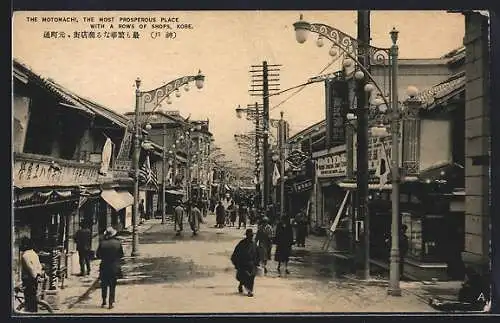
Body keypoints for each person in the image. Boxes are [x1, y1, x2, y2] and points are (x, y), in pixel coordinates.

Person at [96, 227, 124, 309]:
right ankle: (111, 303)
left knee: (104, 284)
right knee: (112, 285)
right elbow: (121, 255)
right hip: (114, 267)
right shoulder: (118, 243)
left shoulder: (102, 243)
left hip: (104, 266)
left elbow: (98, 255)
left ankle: (104, 301)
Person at [231, 229, 260, 297]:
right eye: (249, 235)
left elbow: (257, 254)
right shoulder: (241, 243)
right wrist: (236, 263)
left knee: (251, 277)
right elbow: (235, 253)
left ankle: (250, 291)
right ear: (246, 235)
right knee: (244, 276)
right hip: (243, 264)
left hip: (251, 264)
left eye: (252, 236)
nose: (251, 237)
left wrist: (257, 263)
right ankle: (242, 285)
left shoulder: (254, 244)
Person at [20, 237, 43, 312]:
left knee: (29, 301)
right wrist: (38, 275)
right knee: (33, 300)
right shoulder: (34, 253)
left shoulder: (25, 255)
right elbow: (39, 266)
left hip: (28, 280)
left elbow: (30, 268)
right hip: (35, 279)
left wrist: (34, 276)